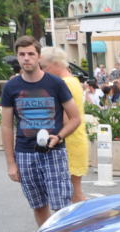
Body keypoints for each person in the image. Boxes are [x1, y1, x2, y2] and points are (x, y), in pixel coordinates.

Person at [0, 36, 81, 226]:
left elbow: (75, 118)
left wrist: (59, 136)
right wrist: (11, 163)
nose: (26, 58)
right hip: (25, 154)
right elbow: (6, 126)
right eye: (22, 54)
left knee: (61, 206)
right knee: (38, 205)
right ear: (17, 57)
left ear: (38, 57)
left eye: (30, 54)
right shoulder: (11, 87)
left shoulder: (55, 84)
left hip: (54, 152)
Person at [38, 47, 89, 205]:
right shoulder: (73, 81)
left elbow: (65, 118)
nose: (42, 71)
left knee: (74, 195)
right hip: (75, 138)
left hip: (68, 141)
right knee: (75, 192)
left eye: (44, 67)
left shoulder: (63, 84)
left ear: (55, 64)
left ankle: (84, 226)